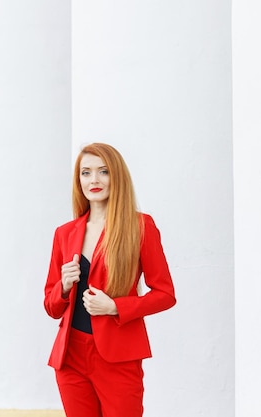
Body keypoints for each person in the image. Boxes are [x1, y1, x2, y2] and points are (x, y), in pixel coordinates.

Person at [43, 143, 176, 417]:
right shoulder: (65, 233)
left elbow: (165, 294)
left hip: (118, 356)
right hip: (70, 357)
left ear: (117, 176)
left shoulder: (140, 227)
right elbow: (51, 306)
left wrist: (116, 307)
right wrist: (64, 287)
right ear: (78, 180)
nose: (94, 180)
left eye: (103, 171)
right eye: (86, 173)